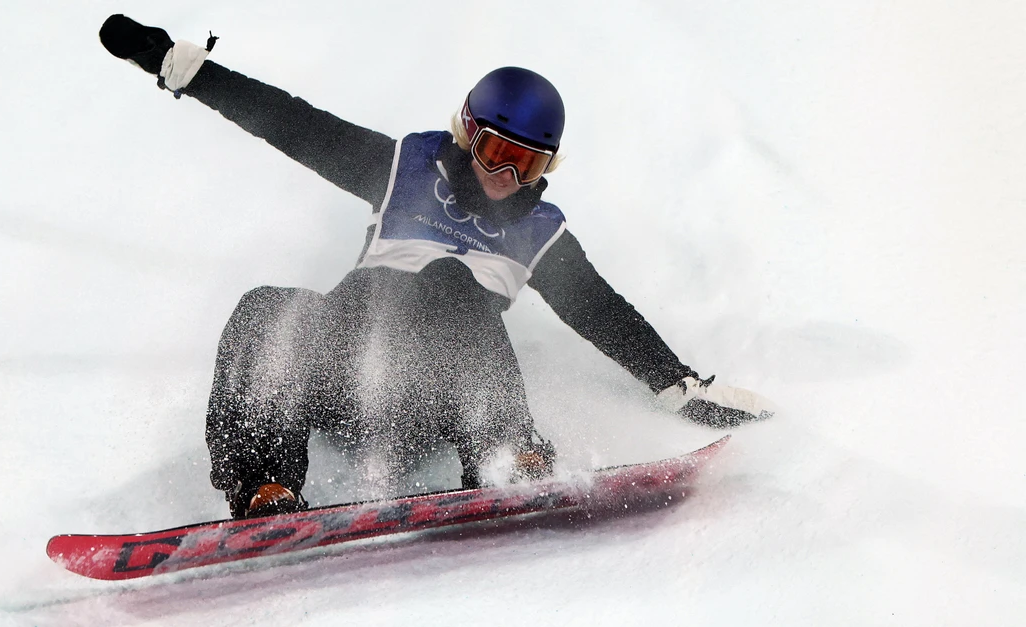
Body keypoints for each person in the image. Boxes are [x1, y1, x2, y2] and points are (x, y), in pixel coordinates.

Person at [98, 15, 774, 519]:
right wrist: (186, 70)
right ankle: (265, 485)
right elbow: (295, 125)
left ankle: (506, 455)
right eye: (494, 151)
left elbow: (601, 311)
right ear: (466, 135)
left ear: (546, 168)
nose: (506, 176)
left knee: (451, 284)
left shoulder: (540, 233)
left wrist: (678, 385)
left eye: (527, 163)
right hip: (348, 370)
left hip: (432, 401)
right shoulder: (402, 169)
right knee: (269, 306)